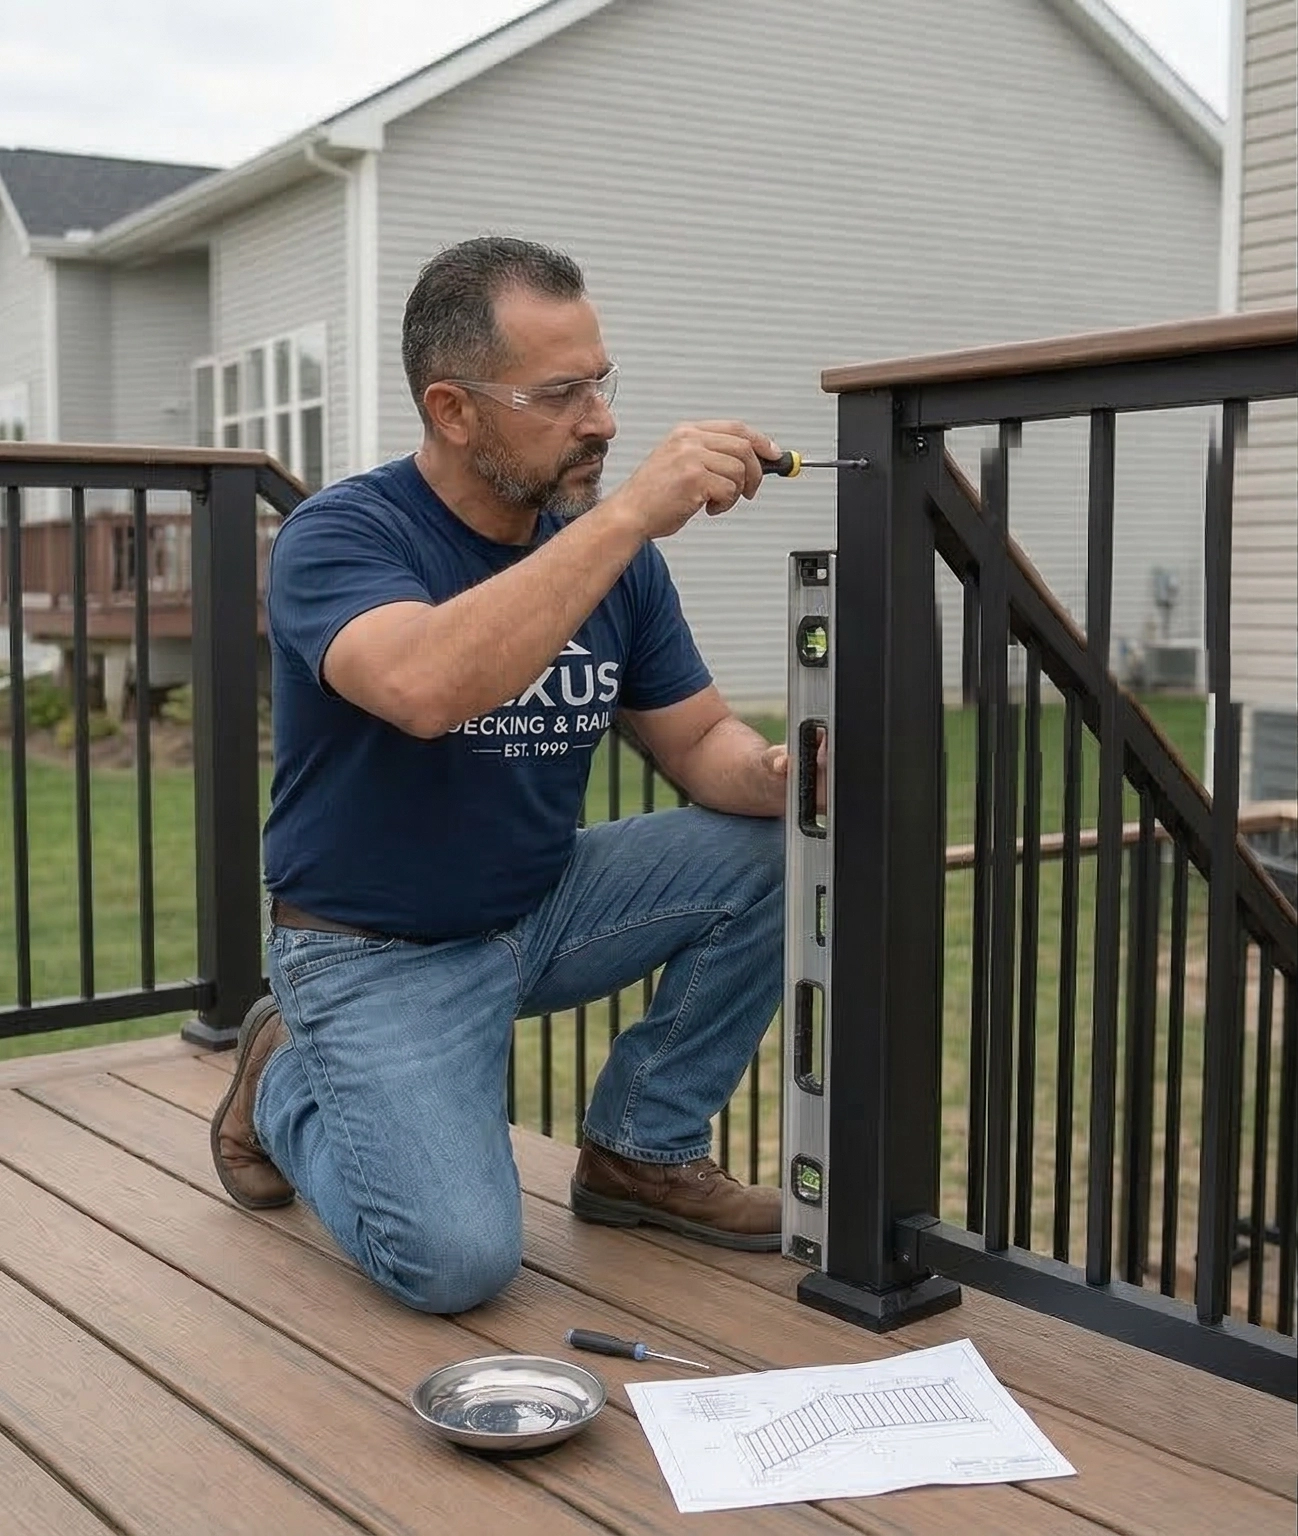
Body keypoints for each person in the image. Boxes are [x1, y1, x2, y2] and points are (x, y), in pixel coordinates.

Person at [210, 235, 818, 1316]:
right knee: (457, 1264)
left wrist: (789, 775)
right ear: (452, 409)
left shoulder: (607, 558)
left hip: (538, 909)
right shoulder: (339, 536)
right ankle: (289, 1078)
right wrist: (628, 517)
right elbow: (426, 684)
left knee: (778, 850)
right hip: (370, 952)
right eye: (560, 393)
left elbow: (697, 744)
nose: (602, 419)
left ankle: (640, 1152)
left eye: (601, 382)